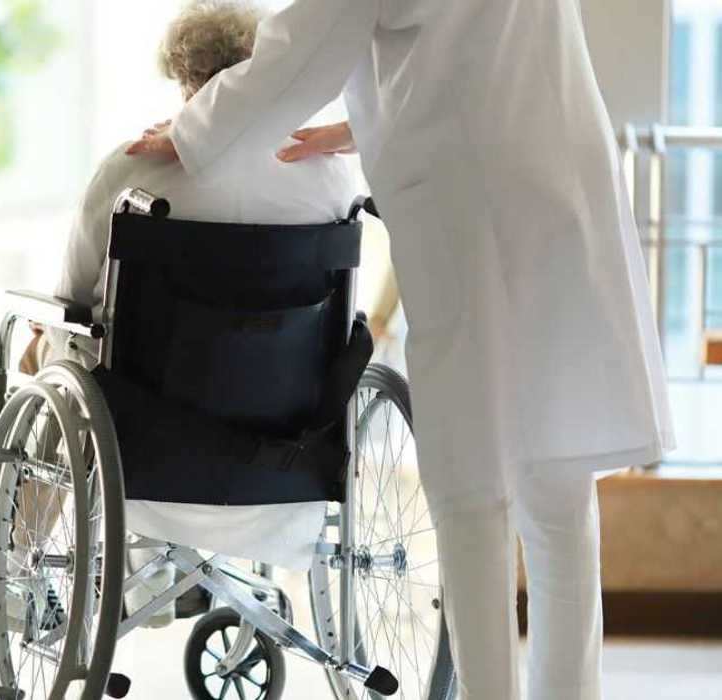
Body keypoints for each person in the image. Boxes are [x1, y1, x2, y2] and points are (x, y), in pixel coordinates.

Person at [126, 1, 674, 699]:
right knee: (555, 472)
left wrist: (195, 127)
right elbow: (480, 50)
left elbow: (309, 40)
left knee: (473, 485)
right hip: (558, 166)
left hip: (470, 200)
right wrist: (363, 128)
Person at [17, 0, 360, 629]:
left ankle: (23, 566)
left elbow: (74, 294)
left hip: (143, 443)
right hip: (287, 444)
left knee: (54, 354)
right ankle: (167, 566)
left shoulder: (133, 167)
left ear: (182, 81)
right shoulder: (327, 177)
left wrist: (40, 337)